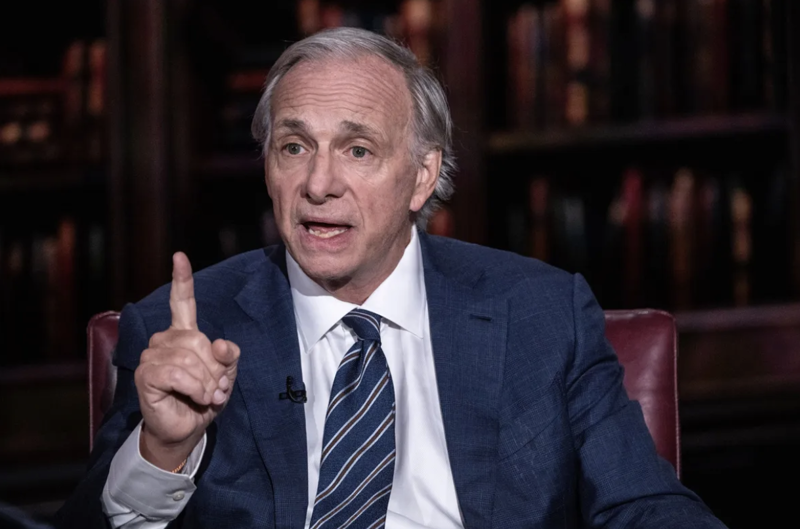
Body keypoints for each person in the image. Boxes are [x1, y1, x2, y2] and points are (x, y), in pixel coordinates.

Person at [57, 27, 727, 529]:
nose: (319, 184)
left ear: (422, 176)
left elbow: (644, 506)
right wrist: (162, 451)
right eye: (294, 147)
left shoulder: (542, 314)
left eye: (358, 149)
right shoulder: (185, 328)